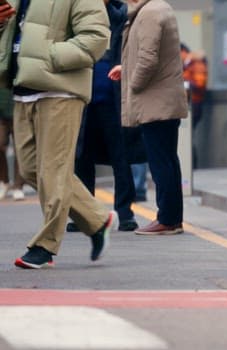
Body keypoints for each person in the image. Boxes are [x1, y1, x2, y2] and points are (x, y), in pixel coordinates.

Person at [0, 0, 114, 269]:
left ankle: (45, 246)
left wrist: (51, 55)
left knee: (53, 170)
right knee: (30, 170)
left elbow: (96, 37)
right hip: (23, 88)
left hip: (60, 90)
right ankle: (97, 220)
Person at [110, 0, 188, 235]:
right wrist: (126, 68)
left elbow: (148, 58)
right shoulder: (157, 9)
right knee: (167, 160)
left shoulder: (150, 13)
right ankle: (171, 217)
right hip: (162, 98)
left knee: (161, 161)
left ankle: (167, 219)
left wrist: (132, 85)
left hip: (155, 100)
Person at [68, 0, 138, 233]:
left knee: (121, 157)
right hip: (83, 98)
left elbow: (122, 20)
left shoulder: (119, 13)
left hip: (113, 100)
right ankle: (85, 215)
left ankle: (125, 213)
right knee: (82, 158)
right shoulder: (78, 12)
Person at [0, 88, 24, 201]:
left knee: (19, 149)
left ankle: (18, 186)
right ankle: (4, 182)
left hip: (18, 107)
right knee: (0, 145)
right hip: (1, 111)